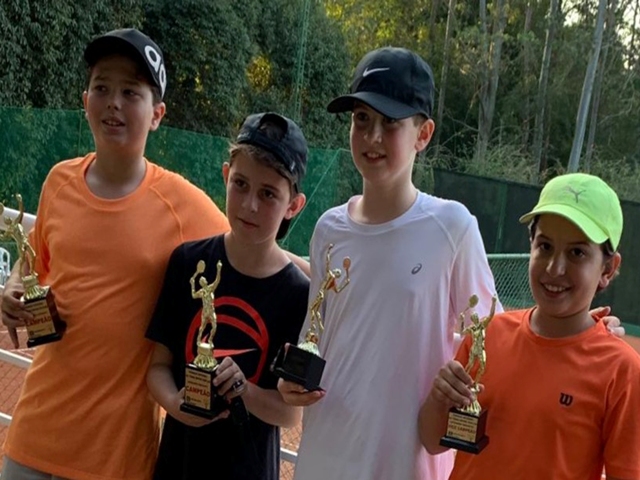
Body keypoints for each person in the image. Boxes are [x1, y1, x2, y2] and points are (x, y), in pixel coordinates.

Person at [277, 47, 626, 480]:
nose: (372, 137)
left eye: (390, 123)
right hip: (323, 457)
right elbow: (315, 337)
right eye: (361, 119)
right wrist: (291, 381)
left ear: (423, 134)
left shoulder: (452, 226)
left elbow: (492, 339)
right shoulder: (329, 228)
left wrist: (582, 333)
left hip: (404, 465)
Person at [0, 28, 229, 480]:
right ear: (85, 100)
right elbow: (33, 263)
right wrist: (10, 291)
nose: (113, 103)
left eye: (130, 92)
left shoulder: (181, 203)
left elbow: (254, 252)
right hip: (35, 436)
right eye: (102, 87)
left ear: (157, 114)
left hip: (116, 457)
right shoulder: (58, 181)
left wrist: (325, 274)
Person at [419, 173, 640, 480]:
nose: (555, 268)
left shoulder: (622, 371)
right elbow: (432, 441)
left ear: (608, 268)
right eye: (545, 246)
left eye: (577, 253)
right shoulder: (487, 336)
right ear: (531, 245)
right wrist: (439, 396)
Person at [146, 112, 309, 480]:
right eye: (241, 184)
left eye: (268, 194)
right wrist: (174, 403)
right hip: (178, 467)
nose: (250, 204)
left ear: (293, 205)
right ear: (225, 176)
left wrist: (244, 390)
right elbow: (158, 367)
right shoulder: (187, 262)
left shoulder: (298, 295)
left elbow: (289, 413)